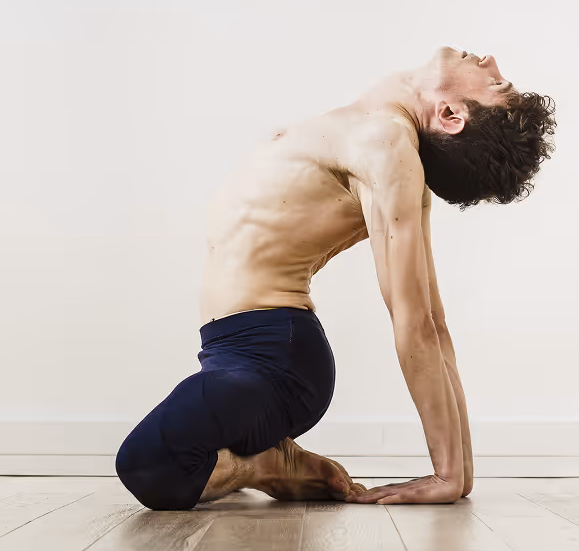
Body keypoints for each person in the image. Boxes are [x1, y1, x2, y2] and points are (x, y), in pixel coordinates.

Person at [115, 46, 556, 509]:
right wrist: (460, 473)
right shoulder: (375, 130)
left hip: (274, 361)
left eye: (496, 83)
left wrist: (450, 475)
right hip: (226, 351)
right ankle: (259, 458)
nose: (489, 61)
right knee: (171, 458)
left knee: (146, 462)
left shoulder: (386, 145)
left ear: (450, 115)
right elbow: (434, 324)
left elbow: (421, 322)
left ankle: (263, 467)